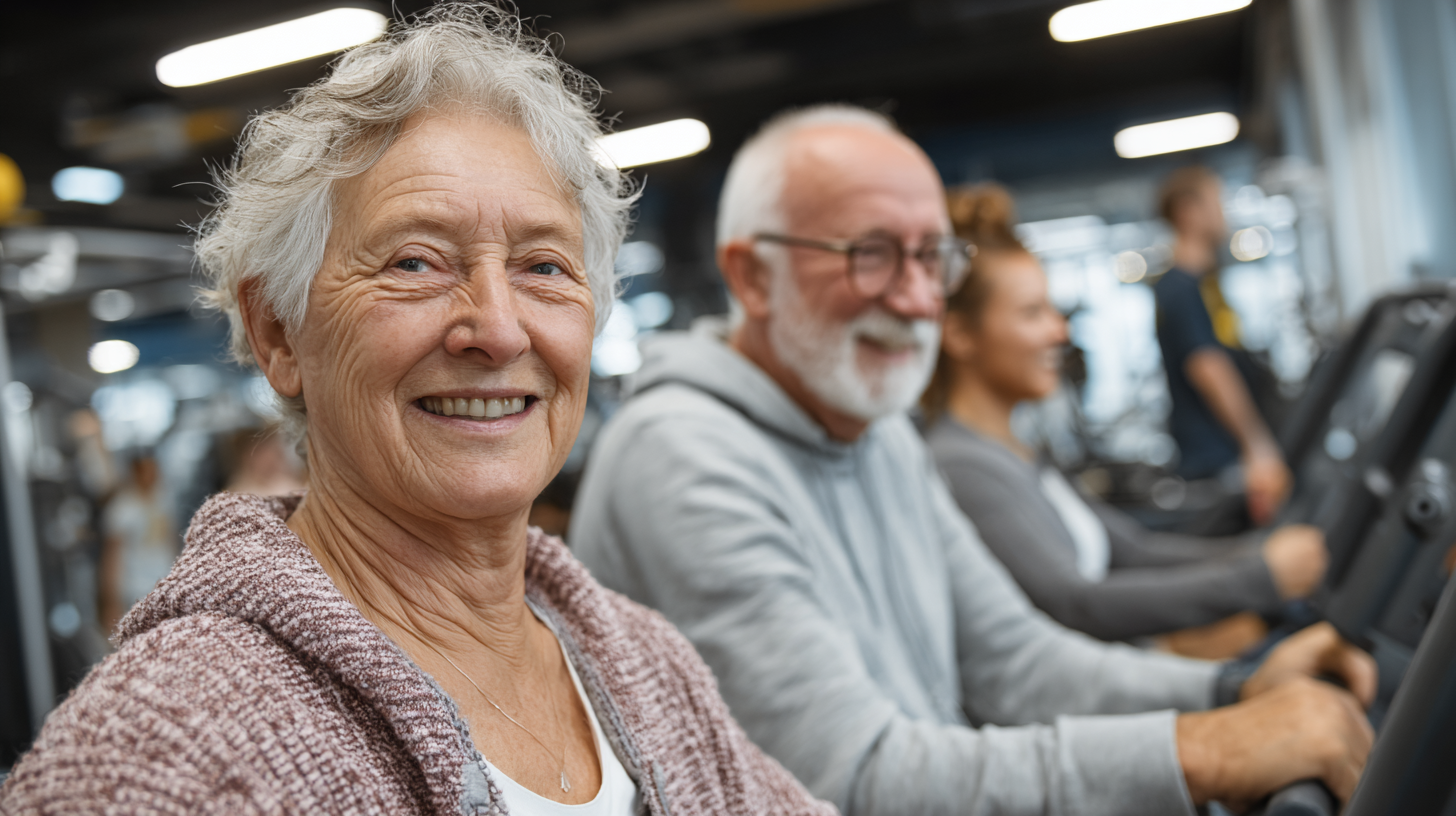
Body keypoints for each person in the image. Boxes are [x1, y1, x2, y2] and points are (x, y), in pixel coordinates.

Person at [0, 9, 836, 815]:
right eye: (416, 261)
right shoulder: (163, 753)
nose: (499, 328)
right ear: (277, 333)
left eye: (545, 267)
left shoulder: (642, 664)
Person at [570, 105, 1376, 816]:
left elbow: (1016, 661)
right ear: (752, 274)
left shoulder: (875, 431)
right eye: (874, 254)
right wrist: (1209, 750)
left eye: (932, 258)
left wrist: (1230, 689)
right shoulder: (680, 459)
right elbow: (845, 780)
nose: (920, 298)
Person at [921, 182, 1328, 647]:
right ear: (957, 335)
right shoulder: (961, 465)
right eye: (1033, 313)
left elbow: (1133, 550)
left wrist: (1258, 556)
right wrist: (1257, 578)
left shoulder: (1015, 452)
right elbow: (1077, 603)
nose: (1060, 331)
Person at [1154, 166, 1291, 525]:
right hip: (1218, 462)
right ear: (1189, 211)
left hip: (1227, 457)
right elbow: (1208, 368)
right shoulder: (1179, 290)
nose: (1225, 213)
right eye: (1217, 202)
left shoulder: (1204, 286)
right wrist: (1257, 445)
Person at [98, 455, 179, 632]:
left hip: (163, 584)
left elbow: (170, 540)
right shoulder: (122, 509)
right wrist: (110, 600)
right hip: (134, 589)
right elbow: (112, 557)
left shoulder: (163, 500)